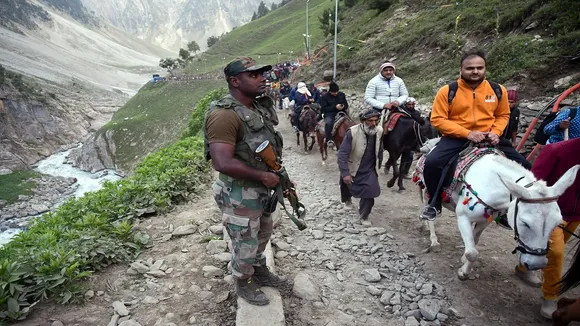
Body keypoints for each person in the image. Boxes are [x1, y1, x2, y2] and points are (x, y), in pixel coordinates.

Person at [204, 57, 286, 306]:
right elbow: (222, 162)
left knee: (262, 233)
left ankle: (258, 270)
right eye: (254, 75)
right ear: (235, 81)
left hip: (260, 189)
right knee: (244, 240)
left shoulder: (256, 107)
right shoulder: (224, 116)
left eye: (262, 73)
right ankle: (243, 281)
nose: (262, 78)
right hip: (239, 192)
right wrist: (262, 176)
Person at [421, 49, 532, 221]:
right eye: (470, 68)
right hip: (456, 137)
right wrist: (467, 133)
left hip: (490, 137)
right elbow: (438, 119)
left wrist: (495, 133)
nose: (475, 71)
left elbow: (503, 115)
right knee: (432, 163)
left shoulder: (497, 90)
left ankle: (515, 208)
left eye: (479, 68)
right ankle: (434, 203)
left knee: (525, 166)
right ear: (461, 70)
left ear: (485, 69)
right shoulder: (447, 91)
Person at [514, 137, 580, 319]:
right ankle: (550, 296)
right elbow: (533, 186)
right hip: (550, 216)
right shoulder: (555, 150)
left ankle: (523, 268)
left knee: (551, 251)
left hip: (576, 215)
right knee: (557, 253)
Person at [337, 109, 384, 227]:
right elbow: (342, 154)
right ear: (363, 121)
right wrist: (345, 173)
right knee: (346, 183)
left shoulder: (379, 130)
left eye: (375, 121)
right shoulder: (352, 133)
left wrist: (379, 163)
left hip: (369, 168)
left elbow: (380, 148)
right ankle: (347, 200)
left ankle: (364, 215)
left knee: (371, 191)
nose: (373, 123)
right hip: (353, 165)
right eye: (370, 121)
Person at [398, 97, 425, 178]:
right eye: (409, 104)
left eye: (412, 104)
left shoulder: (416, 113)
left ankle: (404, 172)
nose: (411, 106)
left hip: (411, 138)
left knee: (409, 156)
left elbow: (421, 122)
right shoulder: (401, 112)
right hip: (401, 136)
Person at [319, 82, 349, 147]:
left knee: (350, 122)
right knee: (329, 123)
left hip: (341, 112)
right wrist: (335, 107)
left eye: (337, 92)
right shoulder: (324, 97)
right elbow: (324, 108)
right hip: (330, 113)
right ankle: (329, 139)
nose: (336, 93)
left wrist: (343, 106)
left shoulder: (342, 95)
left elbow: (346, 104)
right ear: (330, 91)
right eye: (334, 92)